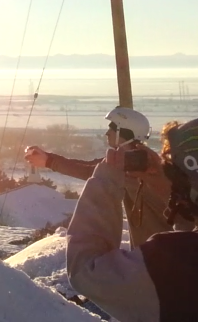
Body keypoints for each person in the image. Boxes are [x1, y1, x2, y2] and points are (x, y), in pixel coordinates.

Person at [66, 118, 198, 322]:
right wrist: (168, 186)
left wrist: (106, 177)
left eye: (172, 171)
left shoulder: (175, 260)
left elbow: (86, 270)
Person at [24, 107, 172, 246]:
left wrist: (49, 162)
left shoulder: (138, 167)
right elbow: (89, 165)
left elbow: (90, 172)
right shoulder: (131, 160)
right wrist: (48, 158)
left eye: (112, 128)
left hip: (161, 253)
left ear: (122, 132)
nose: (107, 133)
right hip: (152, 251)